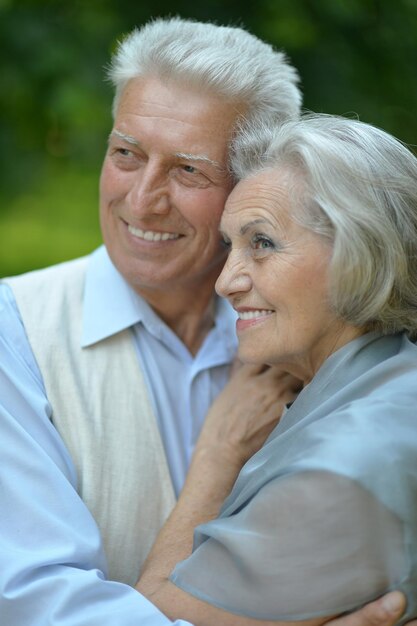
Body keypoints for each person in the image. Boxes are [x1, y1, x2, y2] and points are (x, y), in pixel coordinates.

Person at [0, 16, 410, 625]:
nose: (142, 201)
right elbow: (37, 604)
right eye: (126, 154)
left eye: (188, 170)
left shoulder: (313, 334)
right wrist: (220, 450)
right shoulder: (16, 330)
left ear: (254, 181)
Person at [135, 113, 417, 626]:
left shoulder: (341, 466)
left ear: (362, 251)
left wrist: (218, 451)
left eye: (261, 243)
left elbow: (151, 612)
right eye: (230, 245)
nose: (226, 283)